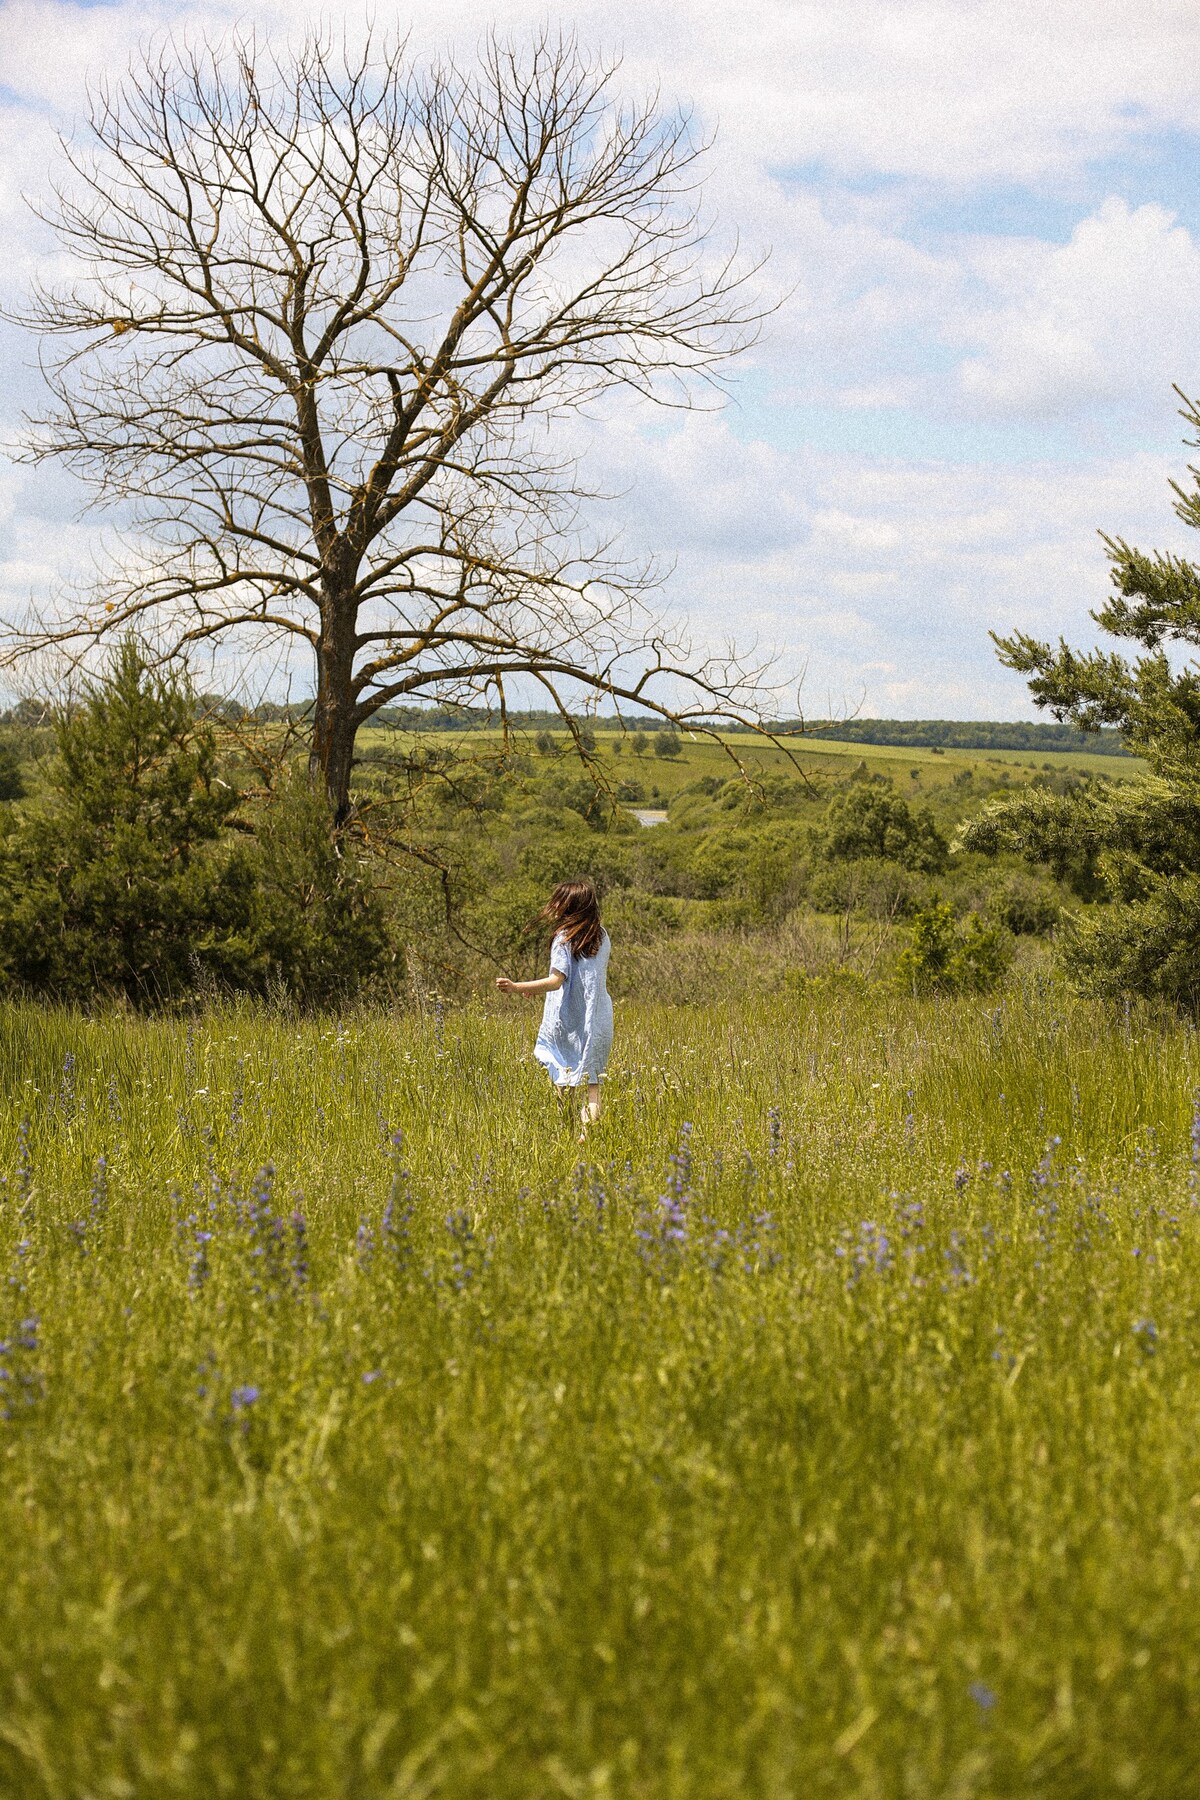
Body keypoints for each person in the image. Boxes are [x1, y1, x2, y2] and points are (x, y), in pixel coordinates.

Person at [496, 879, 613, 1142]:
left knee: (563, 1076)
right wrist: (533, 988)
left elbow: (556, 981)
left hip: (569, 1023)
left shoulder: (563, 937)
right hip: (599, 1020)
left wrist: (517, 986)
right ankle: (586, 1137)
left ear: (567, 906)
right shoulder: (602, 936)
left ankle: (567, 1133)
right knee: (593, 1084)